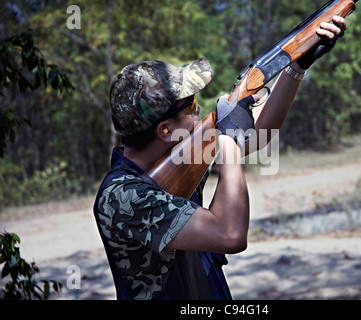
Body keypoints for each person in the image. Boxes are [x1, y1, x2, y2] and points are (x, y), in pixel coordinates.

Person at [93, 16, 347, 300]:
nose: (198, 111)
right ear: (165, 130)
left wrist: (296, 66)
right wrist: (227, 139)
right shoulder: (121, 197)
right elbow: (230, 235)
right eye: (191, 105)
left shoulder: (176, 155)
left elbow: (259, 135)